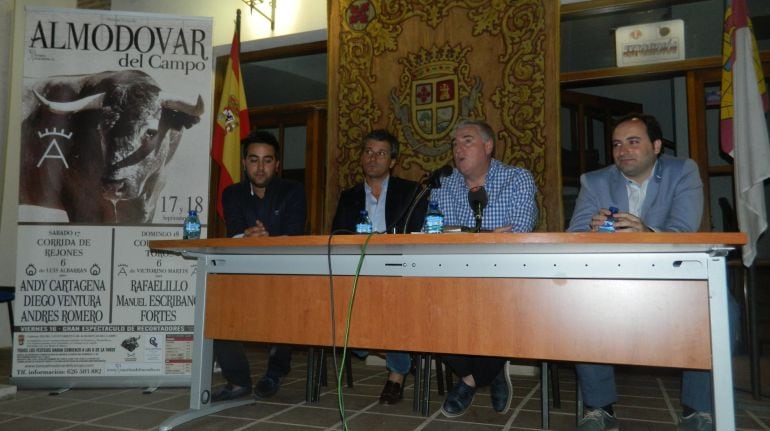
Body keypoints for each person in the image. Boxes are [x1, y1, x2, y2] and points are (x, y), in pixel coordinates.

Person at [567, 112, 734, 431]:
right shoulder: (595, 181)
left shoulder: (682, 171)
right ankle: (599, 409)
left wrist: (644, 231)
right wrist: (593, 230)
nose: (623, 151)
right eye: (616, 144)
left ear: (656, 146)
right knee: (578, 304)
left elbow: (683, 231)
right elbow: (574, 235)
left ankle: (697, 411)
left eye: (633, 142)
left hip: (674, 279)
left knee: (721, 307)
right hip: (612, 280)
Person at [430, 119, 538, 417]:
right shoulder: (444, 183)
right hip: (453, 276)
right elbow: (434, 234)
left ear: (488, 146)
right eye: (454, 143)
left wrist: (459, 233)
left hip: (503, 277)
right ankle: (491, 371)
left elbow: (519, 232)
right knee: (427, 305)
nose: (457, 148)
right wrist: (487, 235)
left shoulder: (517, 179)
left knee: (501, 304)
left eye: (466, 140)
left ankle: (470, 380)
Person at [331, 129, 427, 404]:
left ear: (393, 161)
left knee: (394, 305)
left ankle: (396, 375)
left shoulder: (410, 192)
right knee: (345, 313)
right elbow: (336, 234)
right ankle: (404, 353)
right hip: (358, 271)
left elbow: (418, 234)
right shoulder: (348, 196)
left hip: (398, 270)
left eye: (381, 153)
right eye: (368, 152)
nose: (373, 158)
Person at [212, 130, 307, 401]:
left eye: (267, 160)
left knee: (286, 304)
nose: (260, 167)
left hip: (284, 271)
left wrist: (267, 240)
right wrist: (247, 237)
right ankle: (238, 380)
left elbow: (295, 234)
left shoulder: (293, 190)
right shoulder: (232, 193)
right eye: (254, 160)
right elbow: (234, 233)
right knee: (216, 307)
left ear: (277, 164)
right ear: (244, 163)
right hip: (243, 271)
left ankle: (274, 373)